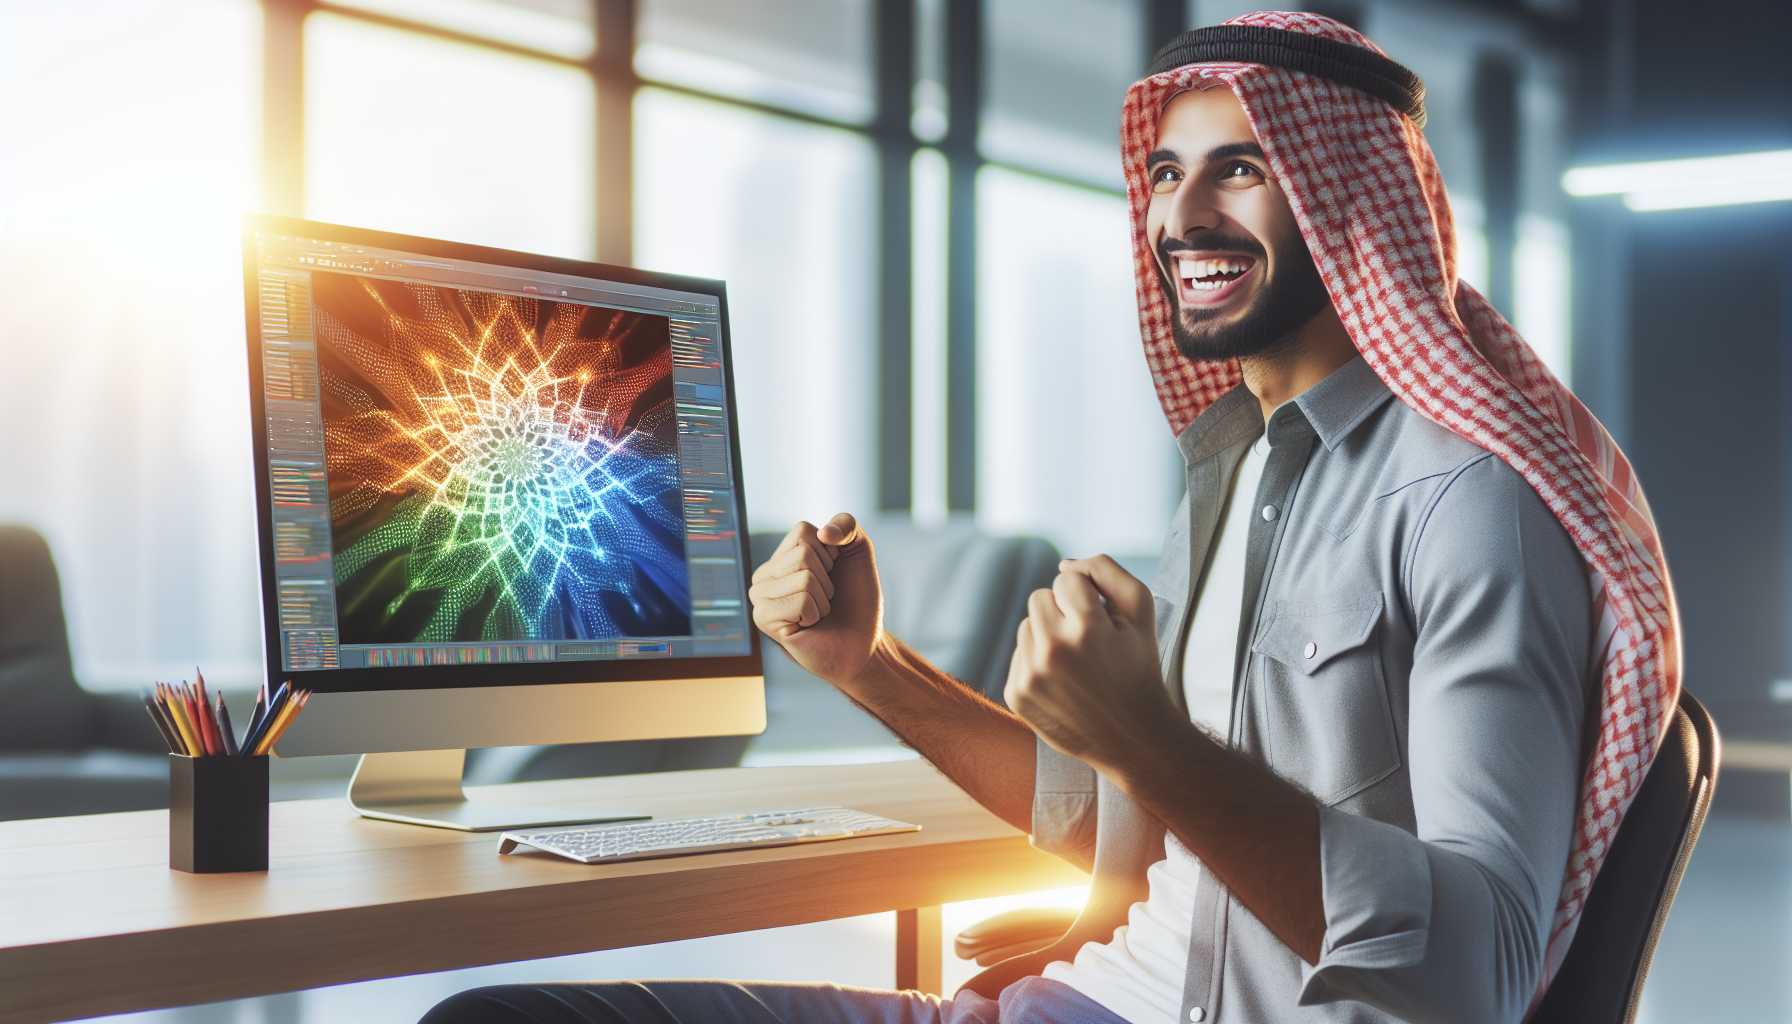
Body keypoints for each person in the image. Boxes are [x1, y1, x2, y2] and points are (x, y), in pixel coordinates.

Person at [423, 11, 1679, 1024]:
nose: (1183, 217)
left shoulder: (1468, 503)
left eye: (1241, 168)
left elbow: (1476, 980)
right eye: (1167, 174)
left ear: (1351, 201)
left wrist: (1152, 736)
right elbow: (1118, 813)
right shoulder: (1233, 469)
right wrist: (872, 668)